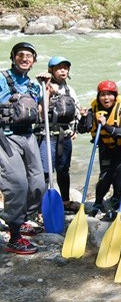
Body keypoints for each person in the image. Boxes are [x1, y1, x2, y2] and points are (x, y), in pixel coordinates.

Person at [0, 42, 47, 254]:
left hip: (28, 136)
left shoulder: (34, 85)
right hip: (5, 137)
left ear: (34, 61)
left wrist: (47, 89)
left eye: (29, 56)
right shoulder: (2, 78)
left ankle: (22, 219)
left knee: (38, 183)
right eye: (21, 55)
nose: (25, 58)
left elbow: (40, 112)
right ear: (13, 57)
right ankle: (15, 235)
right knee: (17, 184)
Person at [78, 80, 121, 217]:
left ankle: (118, 200)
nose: (106, 98)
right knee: (105, 176)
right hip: (106, 148)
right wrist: (84, 118)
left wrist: (106, 126)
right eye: (102, 95)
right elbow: (82, 129)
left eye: (110, 95)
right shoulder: (94, 110)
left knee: (120, 175)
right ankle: (98, 201)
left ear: (115, 96)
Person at [39, 56, 81, 213]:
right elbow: (41, 112)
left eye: (65, 67)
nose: (63, 70)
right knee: (46, 170)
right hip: (47, 134)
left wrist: (75, 128)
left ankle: (65, 201)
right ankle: (42, 204)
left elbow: (76, 110)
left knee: (63, 169)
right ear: (51, 70)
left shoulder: (70, 90)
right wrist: (48, 91)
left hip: (64, 134)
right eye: (59, 68)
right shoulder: (43, 86)